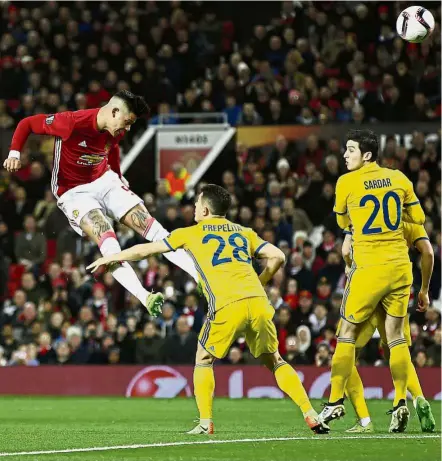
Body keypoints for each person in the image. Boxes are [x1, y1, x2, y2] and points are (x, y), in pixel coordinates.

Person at [88, 184, 329, 435]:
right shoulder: (244, 232)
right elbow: (278, 255)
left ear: (204, 209)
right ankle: (310, 413)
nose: (193, 208)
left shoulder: (191, 233)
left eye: (196, 204)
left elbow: (147, 249)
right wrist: (261, 281)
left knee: (203, 358)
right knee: (276, 360)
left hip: (227, 305)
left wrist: (111, 257)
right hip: (258, 301)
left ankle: (205, 423)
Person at [4, 90, 198, 317]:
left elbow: (112, 148)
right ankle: (145, 297)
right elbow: (28, 123)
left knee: (153, 228)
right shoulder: (71, 122)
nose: (127, 129)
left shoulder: (115, 128)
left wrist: (118, 174)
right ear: (114, 112)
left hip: (105, 181)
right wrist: (15, 153)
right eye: (127, 122)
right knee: (108, 241)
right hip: (73, 192)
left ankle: (200, 277)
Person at [318, 129, 425, 433]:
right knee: (396, 338)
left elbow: (342, 221)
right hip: (401, 268)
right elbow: (418, 220)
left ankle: (335, 401)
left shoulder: (346, 182)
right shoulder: (400, 178)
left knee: (347, 335)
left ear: (366, 154)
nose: (345, 155)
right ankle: (400, 402)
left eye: (350, 150)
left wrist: (356, 229)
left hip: (370, 268)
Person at [341, 222, 436, 433]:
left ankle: (364, 421)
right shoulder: (408, 221)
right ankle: (415, 398)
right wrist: (424, 290)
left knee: (346, 353)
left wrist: (350, 263)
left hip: (364, 291)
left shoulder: (361, 214)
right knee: (397, 348)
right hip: (395, 291)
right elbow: (428, 252)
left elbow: (346, 250)